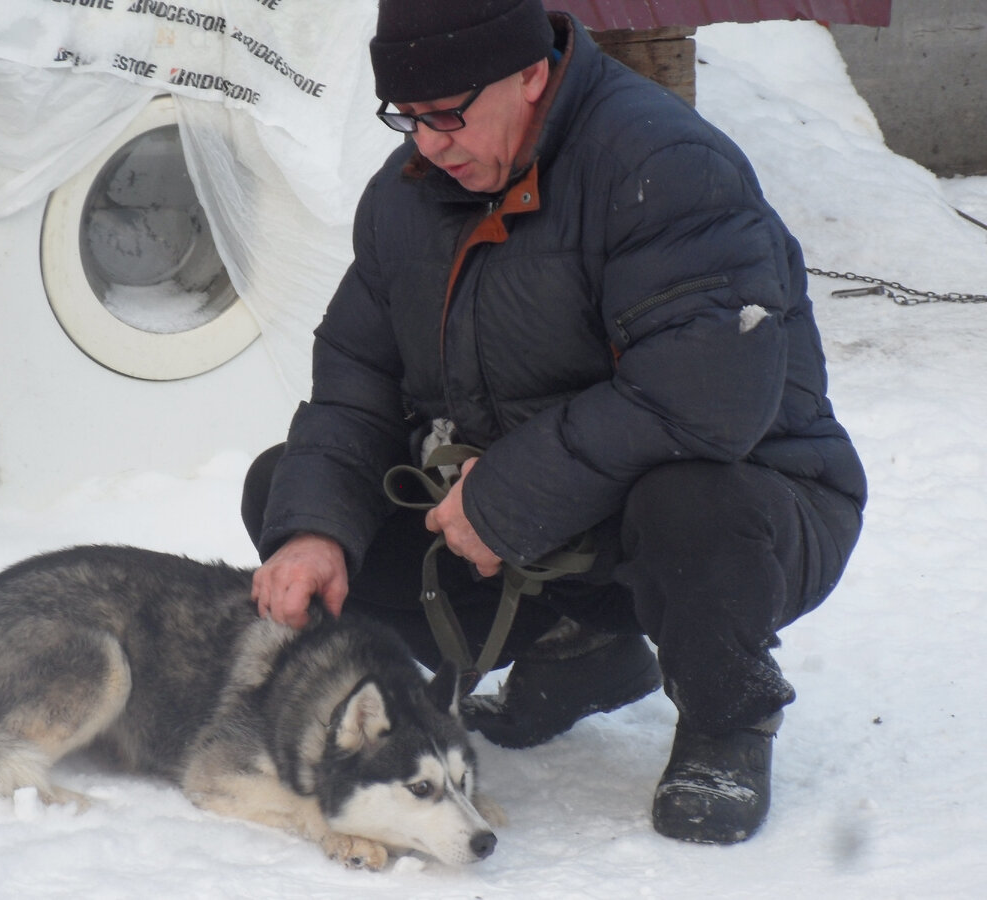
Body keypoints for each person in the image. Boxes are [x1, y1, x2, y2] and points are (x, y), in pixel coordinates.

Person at [240, 0, 866, 845]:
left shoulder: (665, 164)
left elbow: (707, 397)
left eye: (450, 115)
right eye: (407, 118)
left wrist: (507, 494)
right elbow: (357, 383)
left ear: (530, 73)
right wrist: (313, 530)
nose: (428, 143)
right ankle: (579, 649)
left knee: (688, 501)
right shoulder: (406, 197)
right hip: (537, 522)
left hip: (749, 504)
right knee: (286, 489)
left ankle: (727, 718)